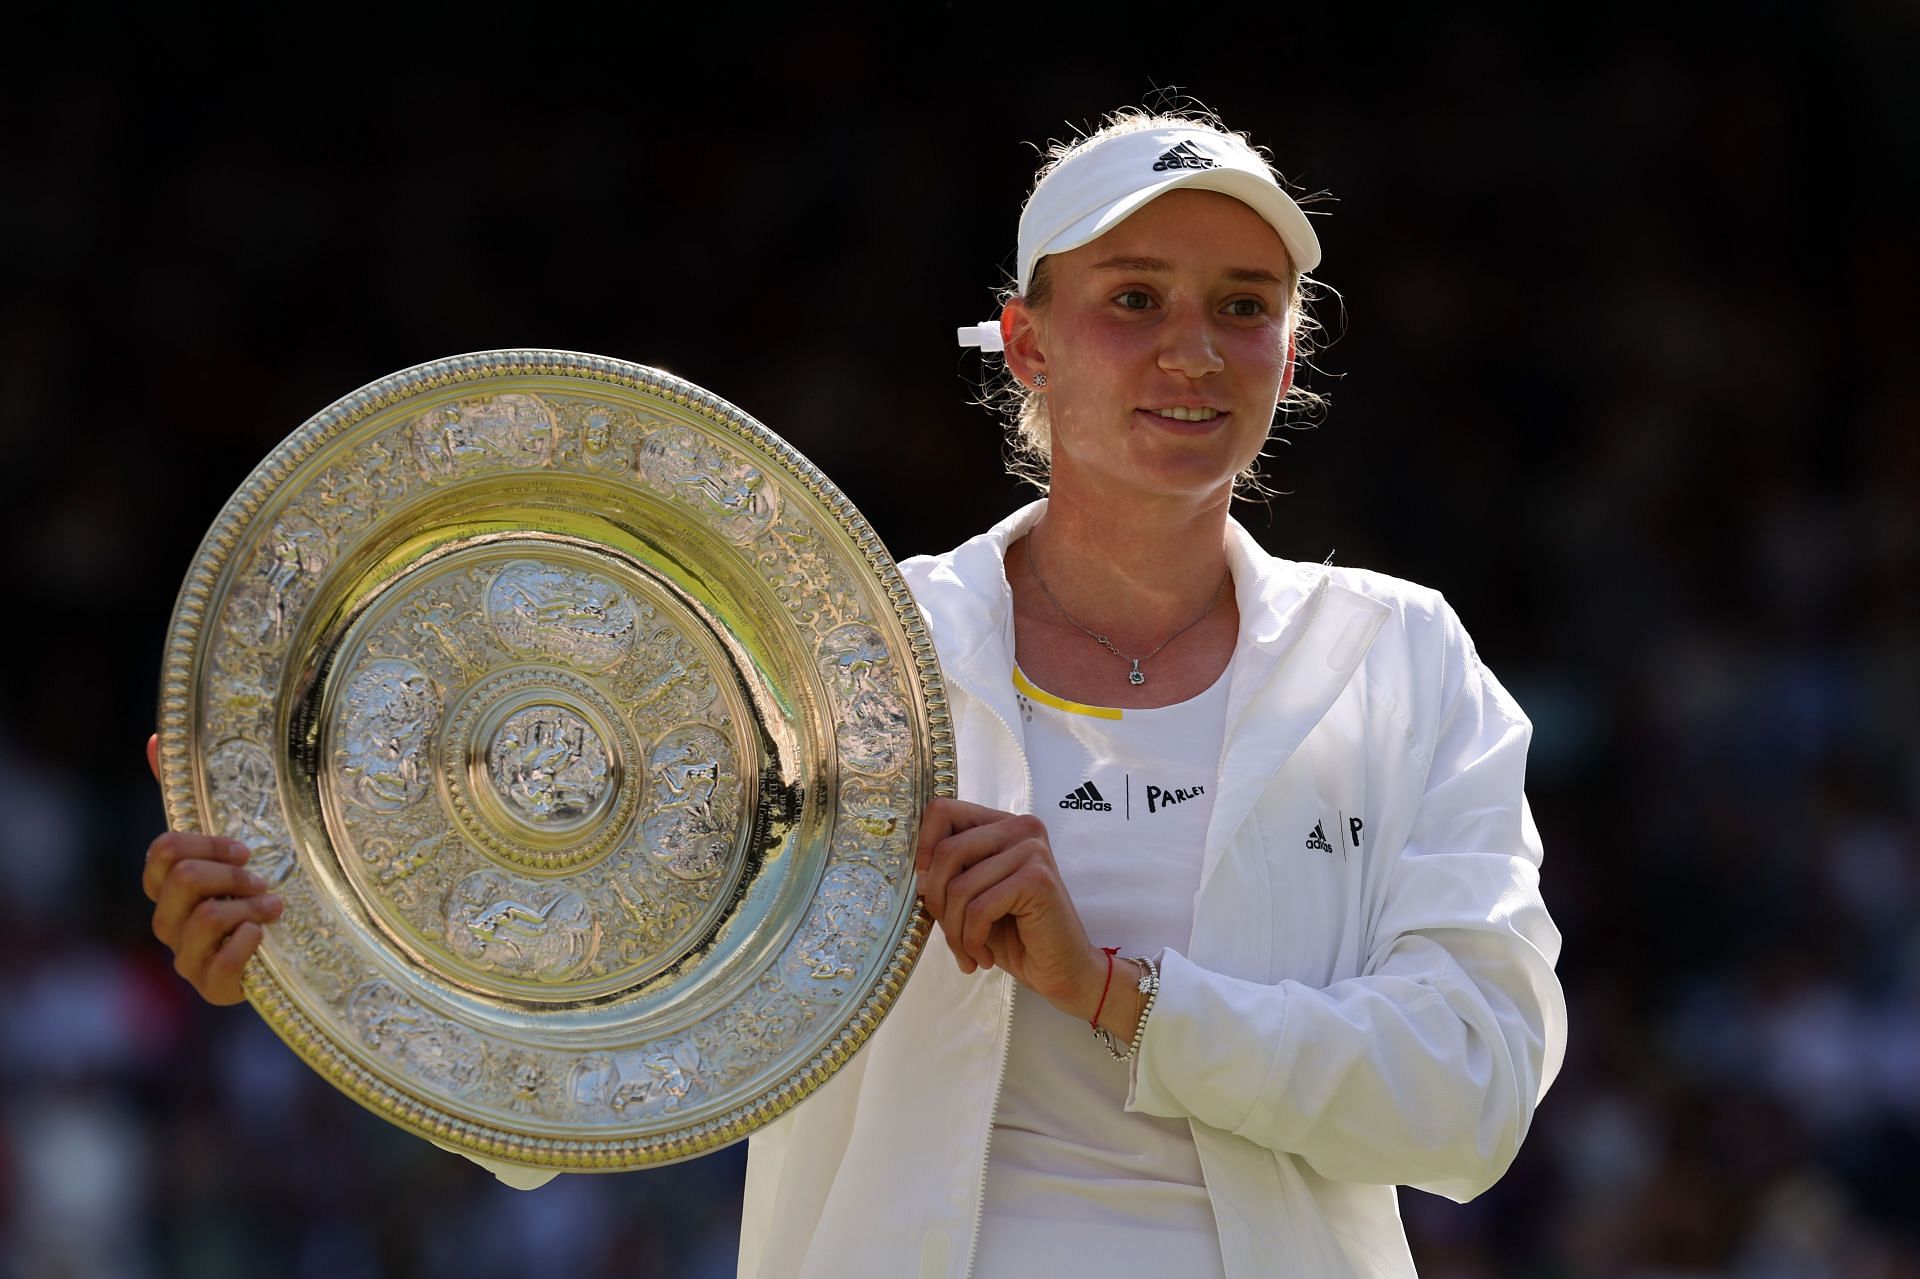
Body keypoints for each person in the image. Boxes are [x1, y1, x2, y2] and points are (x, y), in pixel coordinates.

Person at [144, 106, 1567, 1277]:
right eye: (1134, 301)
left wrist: (1117, 993)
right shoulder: (838, 653)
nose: (1193, 350)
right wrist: (309, 946)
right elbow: (577, 1061)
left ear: (1289, 353)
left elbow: (1472, 1097)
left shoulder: (1402, 659)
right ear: (1028, 344)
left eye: (1242, 309)